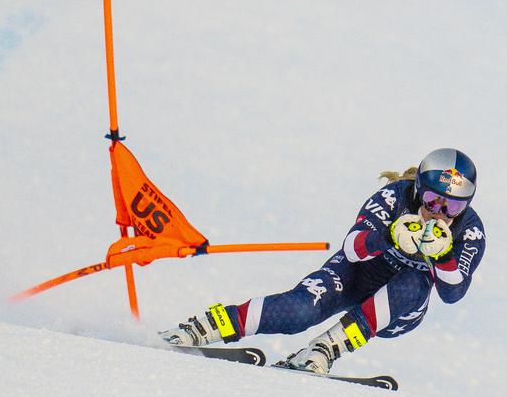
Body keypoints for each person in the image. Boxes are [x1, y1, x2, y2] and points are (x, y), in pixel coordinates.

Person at [160, 148, 486, 374]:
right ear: (418, 189)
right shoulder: (394, 197)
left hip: (399, 309)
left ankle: (326, 348)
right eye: (432, 200)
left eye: (453, 207)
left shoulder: (469, 230)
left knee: (414, 281)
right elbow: (353, 248)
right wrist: (389, 236)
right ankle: (206, 327)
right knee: (300, 310)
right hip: (356, 273)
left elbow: (453, 294)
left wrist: (442, 255)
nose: (439, 213)